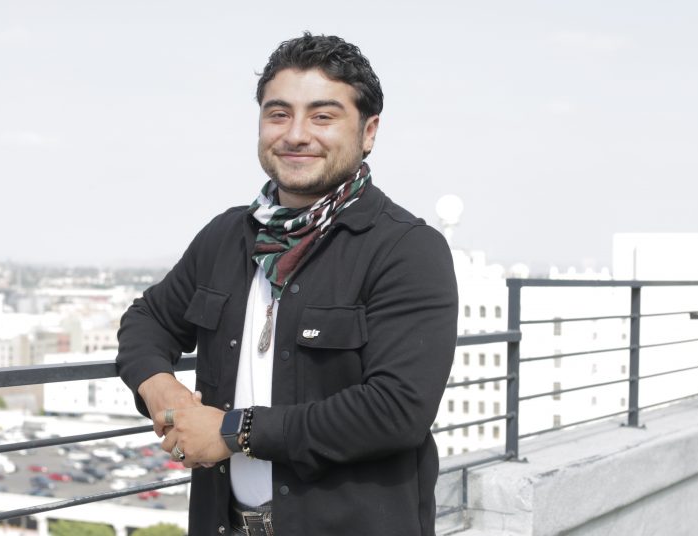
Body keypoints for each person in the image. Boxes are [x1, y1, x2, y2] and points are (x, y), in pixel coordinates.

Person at [117, 32, 458, 536]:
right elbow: (147, 319)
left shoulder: (406, 248)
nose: (296, 135)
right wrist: (159, 386)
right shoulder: (226, 238)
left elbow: (396, 410)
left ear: (368, 132)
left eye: (323, 117)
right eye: (278, 114)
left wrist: (234, 431)